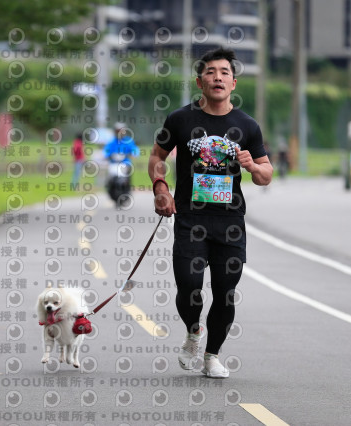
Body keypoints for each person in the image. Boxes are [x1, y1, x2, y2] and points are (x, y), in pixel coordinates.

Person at [148, 47, 273, 378]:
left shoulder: (247, 126)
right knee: (189, 286)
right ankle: (193, 330)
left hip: (230, 223)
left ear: (233, 82)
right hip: (191, 219)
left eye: (224, 72)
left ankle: (212, 355)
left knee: (225, 291)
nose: (217, 77)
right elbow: (156, 156)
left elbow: (266, 175)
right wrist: (160, 187)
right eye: (210, 72)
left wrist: (252, 166)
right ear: (199, 81)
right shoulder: (180, 119)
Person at [104, 122, 140, 205]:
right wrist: (106, 155)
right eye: (117, 131)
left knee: (127, 177)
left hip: (125, 164)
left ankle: (126, 190)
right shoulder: (112, 142)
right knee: (109, 179)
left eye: (121, 131)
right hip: (113, 164)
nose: (119, 133)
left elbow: (134, 149)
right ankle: (111, 190)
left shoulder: (128, 141)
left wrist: (134, 154)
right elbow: (106, 150)